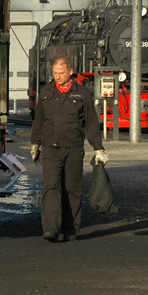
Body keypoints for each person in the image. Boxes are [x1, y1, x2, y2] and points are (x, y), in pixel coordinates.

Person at [30, 55, 108, 242]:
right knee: (51, 187)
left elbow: (90, 123)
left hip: (73, 148)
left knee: (72, 188)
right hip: (50, 148)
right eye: (55, 73)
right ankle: (51, 228)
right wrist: (35, 143)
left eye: (61, 73)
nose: (57, 77)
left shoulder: (82, 93)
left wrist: (98, 148)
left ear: (70, 71)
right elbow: (39, 121)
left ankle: (71, 229)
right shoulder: (46, 92)